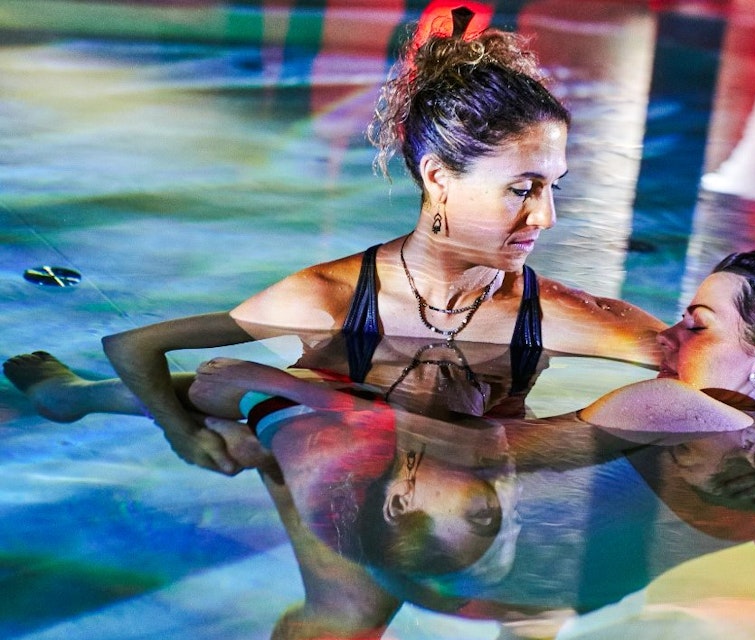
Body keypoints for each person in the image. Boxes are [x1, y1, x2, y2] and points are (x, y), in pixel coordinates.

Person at [3, 250, 755, 640]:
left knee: (245, 388)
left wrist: (287, 388)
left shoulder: (671, 408)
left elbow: (486, 452)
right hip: (547, 593)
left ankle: (69, 401)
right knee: (587, 519)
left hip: (444, 565)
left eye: (695, 320)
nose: (671, 331)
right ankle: (79, 401)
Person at [52, 8, 665, 475]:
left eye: (554, 186)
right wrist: (182, 437)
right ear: (438, 178)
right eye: (523, 188)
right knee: (215, 395)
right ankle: (69, 395)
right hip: (327, 442)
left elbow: (697, 368)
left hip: (444, 471)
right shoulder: (331, 300)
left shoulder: (547, 314)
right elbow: (133, 345)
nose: (547, 216)